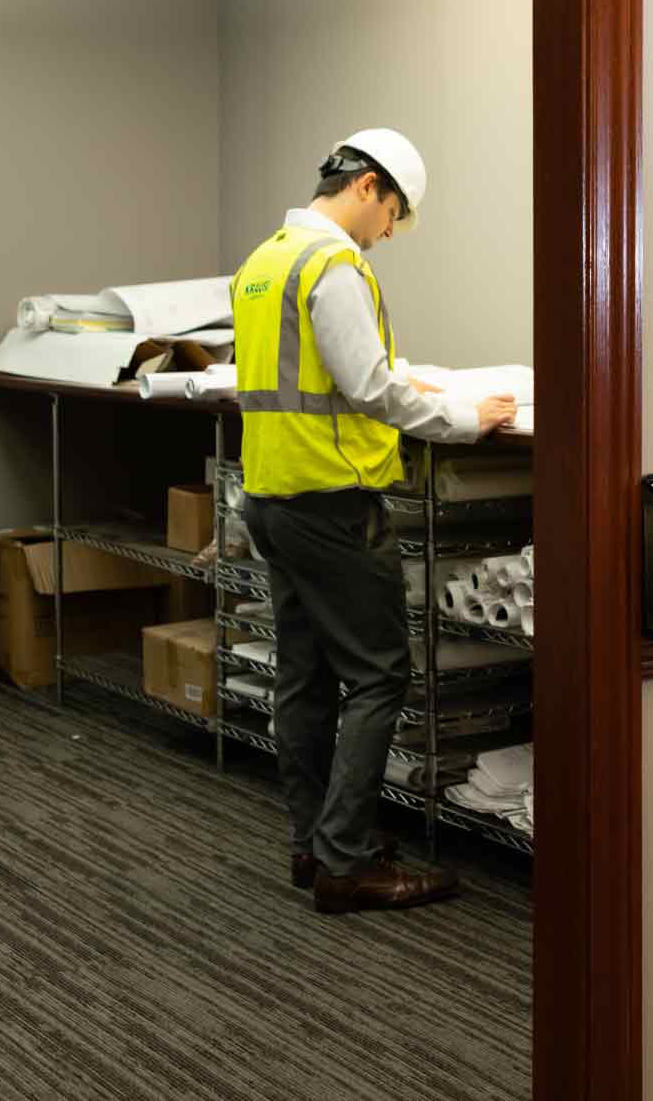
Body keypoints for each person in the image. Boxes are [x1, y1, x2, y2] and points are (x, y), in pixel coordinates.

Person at [232, 128, 518, 915]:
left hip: (273, 497)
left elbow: (316, 375)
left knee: (305, 679)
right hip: (333, 503)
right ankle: (347, 860)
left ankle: (313, 844)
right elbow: (366, 389)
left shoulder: (264, 263)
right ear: (367, 186)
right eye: (393, 214)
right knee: (378, 675)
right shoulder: (333, 264)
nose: (388, 233)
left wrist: (400, 381)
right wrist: (464, 418)